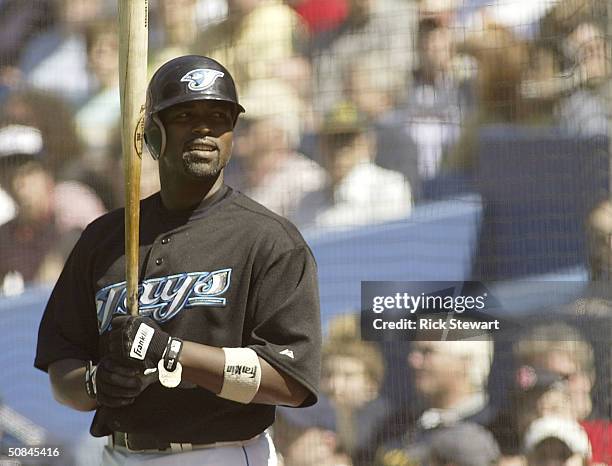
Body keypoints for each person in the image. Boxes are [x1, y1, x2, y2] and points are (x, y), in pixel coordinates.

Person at [34, 55, 322, 465]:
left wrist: (172, 352)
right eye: (186, 115)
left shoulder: (267, 239)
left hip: (223, 453)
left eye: (219, 116)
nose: (205, 128)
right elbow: (63, 368)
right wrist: (97, 384)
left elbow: (290, 381)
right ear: (153, 134)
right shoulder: (104, 239)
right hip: (120, 453)